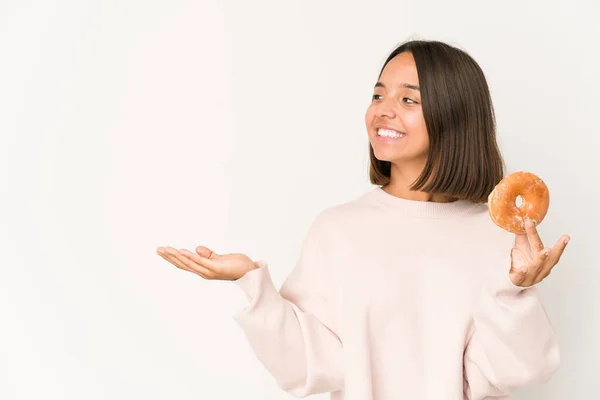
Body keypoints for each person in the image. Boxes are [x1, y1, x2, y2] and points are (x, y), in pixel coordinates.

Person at [156, 39, 570, 400]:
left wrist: (514, 292)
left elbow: (512, 374)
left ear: (454, 115)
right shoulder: (338, 229)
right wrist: (251, 281)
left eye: (409, 99)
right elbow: (309, 366)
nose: (383, 112)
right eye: (378, 96)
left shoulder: (497, 237)